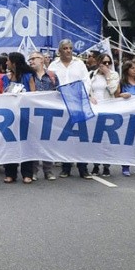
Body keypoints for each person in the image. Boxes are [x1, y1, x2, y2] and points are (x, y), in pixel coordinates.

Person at [49, 39, 93, 179]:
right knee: (65, 136)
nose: (68, 50)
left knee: (81, 136)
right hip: (60, 104)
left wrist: (79, 95)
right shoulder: (53, 65)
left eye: (70, 48)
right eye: (65, 48)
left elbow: (86, 81)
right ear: (60, 50)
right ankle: (65, 167)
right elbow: (50, 82)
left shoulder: (79, 64)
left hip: (78, 103)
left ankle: (83, 168)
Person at [2, 52, 37, 184]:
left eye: (8, 61)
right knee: (10, 144)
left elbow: (34, 95)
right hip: (10, 116)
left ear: (14, 62)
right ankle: (10, 173)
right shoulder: (7, 78)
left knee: (27, 144)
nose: (6, 63)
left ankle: (27, 173)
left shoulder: (28, 76)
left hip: (25, 115)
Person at [29, 51, 58, 180]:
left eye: (34, 58)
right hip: (33, 113)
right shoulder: (29, 76)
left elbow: (59, 91)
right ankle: (34, 171)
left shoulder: (52, 76)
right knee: (33, 142)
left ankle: (48, 170)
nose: (31, 61)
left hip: (48, 113)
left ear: (41, 60)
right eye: (30, 59)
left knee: (48, 142)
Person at [88, 53, 118, 177]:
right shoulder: (91, 75)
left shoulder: (114, 75)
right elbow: (88, 90)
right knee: (95, 138)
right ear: (98, 63)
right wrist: (90, 97)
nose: (106, 65)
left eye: (108, 63)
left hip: (108, 109)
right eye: (104, 63)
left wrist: (107, 75)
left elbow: (112, 90)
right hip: (95, 109)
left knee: (106, 139)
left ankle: (106, 166)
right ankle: (95, 165)